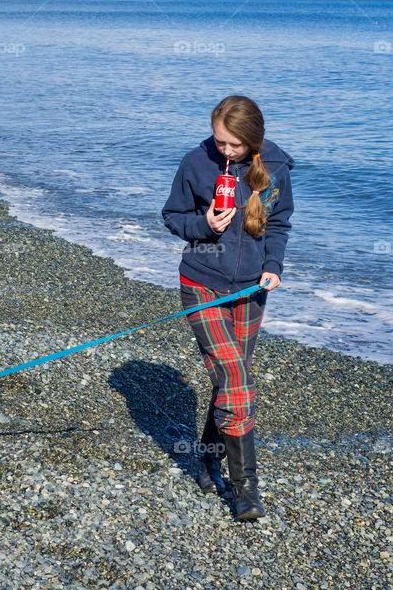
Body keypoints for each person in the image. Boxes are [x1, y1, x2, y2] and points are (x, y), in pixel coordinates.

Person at [161, 95, 295, 521]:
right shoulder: (195, 161)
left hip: (252, 290)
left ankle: (206, 462)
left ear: (252, 139)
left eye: (234, 145)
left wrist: (273, 266)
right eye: (220, 142)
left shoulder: (275, 167)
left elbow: (279, 223)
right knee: (238, 377)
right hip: (201, 281)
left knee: (228, 383)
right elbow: (172, 215)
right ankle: (246, 489)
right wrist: (204, 226)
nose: (225, 151)